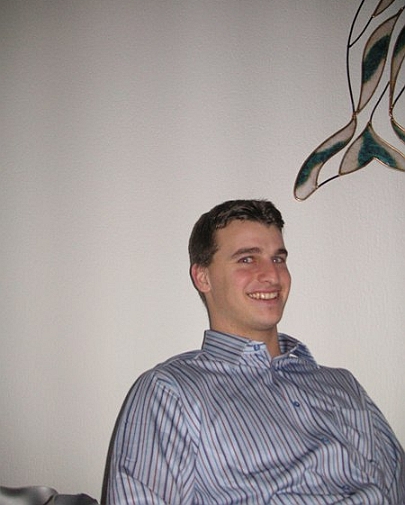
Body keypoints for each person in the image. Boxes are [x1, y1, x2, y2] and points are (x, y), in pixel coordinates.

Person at [106, 199, 405, 504]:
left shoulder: (344, 385)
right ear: (203, 277)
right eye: (247, 259)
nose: (273, 276)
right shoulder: (171, 391)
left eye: (278, 259)